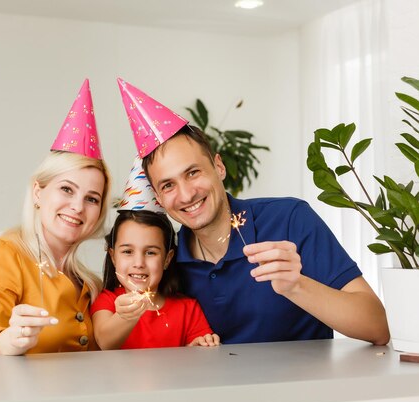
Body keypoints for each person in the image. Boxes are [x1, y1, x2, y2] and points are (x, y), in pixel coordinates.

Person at [116, 78, 390, 345]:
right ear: (160, 199)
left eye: (193, 172)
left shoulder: (290, 219)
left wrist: (296, 286)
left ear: (219, 167)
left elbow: (377, 328)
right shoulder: (167, 262)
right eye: (168, 185)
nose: (186, 194)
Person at [0, 79, 111, 356]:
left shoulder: (90, 283)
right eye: (66, 189)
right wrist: (8, 340)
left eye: (91, 198)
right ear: (38, 192)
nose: (77, 206)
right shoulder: (1, 257)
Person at [91, 157, 220, 349]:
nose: (139, 262)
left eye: (150, 253)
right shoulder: (108, 301)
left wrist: (201, 347)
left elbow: (201, 356)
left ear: (167, 259)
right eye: (127, 251)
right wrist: (127, 316)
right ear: (112, 256)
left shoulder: (187, 308)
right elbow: (104, 342)